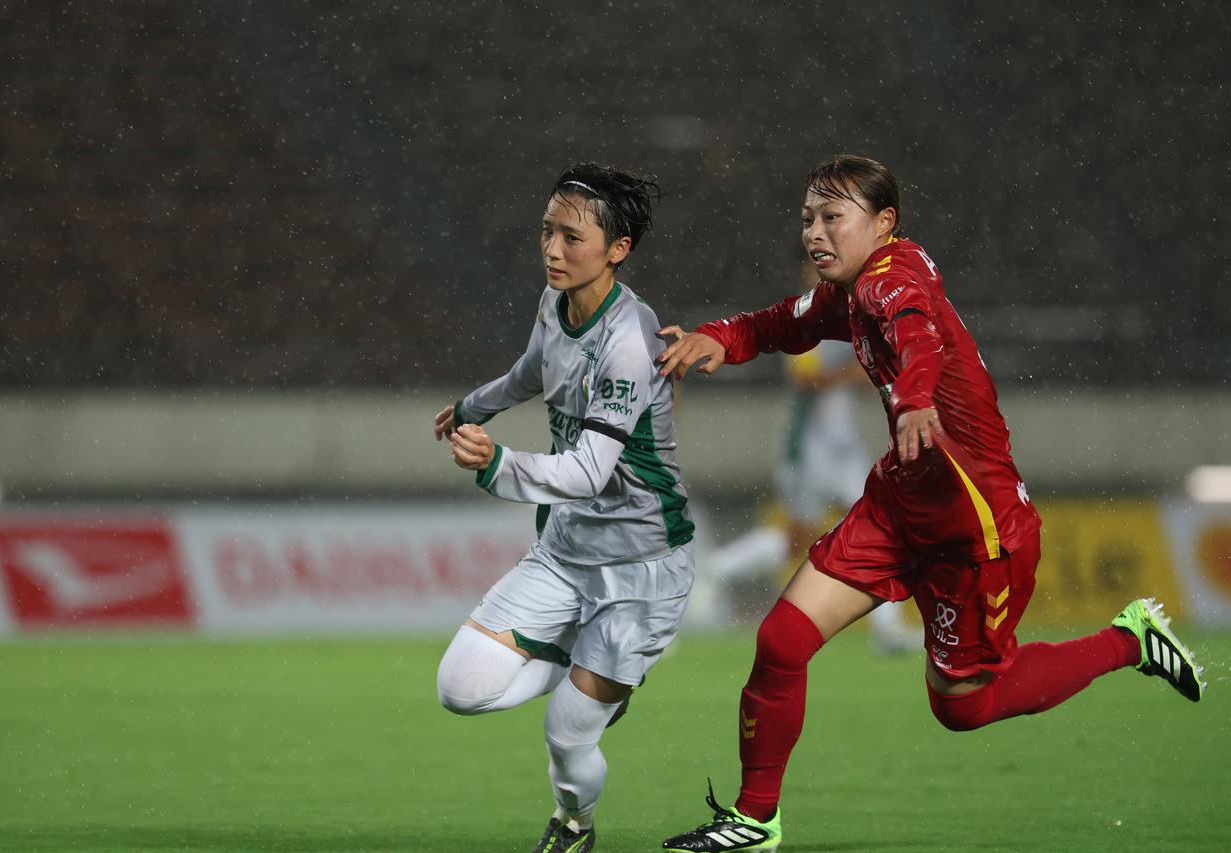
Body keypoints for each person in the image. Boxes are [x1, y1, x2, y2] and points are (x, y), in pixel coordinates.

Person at [654, 154, 1205, 853]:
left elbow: (919, 334)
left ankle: (1129, 639)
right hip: (901, 499)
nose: (815, 234)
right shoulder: (849, 292)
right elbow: (777, 324)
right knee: (781, 640)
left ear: (882, 223)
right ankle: (755, 819)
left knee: (964, 705)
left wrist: (914, 398)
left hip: (978, 526)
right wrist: (719, 337)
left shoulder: (891, 279)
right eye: (807, 220)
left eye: (832, 218)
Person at [432, 162, 695, 853]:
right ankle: (598, 668)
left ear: (618, 249)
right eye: (547, 230)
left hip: (642, 565)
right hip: (567, 549)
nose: (552, 249)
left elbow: (587, 471)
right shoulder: (557, 303)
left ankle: (574, 823)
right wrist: (472, 406)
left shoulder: (629, 342)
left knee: (568, 732)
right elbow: (532, 370)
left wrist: (497, 464)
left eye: (571, 237)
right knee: (459, 685)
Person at [708, 261, 919, 654]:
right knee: (797, 540)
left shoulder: (854, 314)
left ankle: (888, 631)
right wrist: (855, 369)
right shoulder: (807, 317)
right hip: (810, 450)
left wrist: (861, 368)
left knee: (884, 527)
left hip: (844, 447)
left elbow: (875, 367)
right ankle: (712, 573)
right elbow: (805, 379)